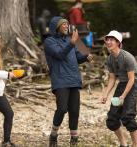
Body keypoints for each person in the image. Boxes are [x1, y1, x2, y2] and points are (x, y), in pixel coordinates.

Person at [44, 16, 93, 147]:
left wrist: (86, 57)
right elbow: (59, 54)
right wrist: (72, 42)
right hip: (60, 79)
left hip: (73, 78)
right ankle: (54, 134)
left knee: (75, 110)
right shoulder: (49, 41)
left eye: (67, 24)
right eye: (63, 24)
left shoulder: (70, 40)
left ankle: (74, 139)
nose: (67, 26)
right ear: (56, 27)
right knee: (62, 109)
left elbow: (76, 57)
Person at [101, 30, 137, 147]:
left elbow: (132, 79)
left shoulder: (127, 57)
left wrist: (123, 96)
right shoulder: (109, 59)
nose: (108, 42)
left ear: (118, 42)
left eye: (112, 40)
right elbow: (112, 79)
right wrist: (105, 94)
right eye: (107, 39)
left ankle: (135, 145)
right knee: (112, 119)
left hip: (134, 83)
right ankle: (123, 144)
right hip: (122, 83)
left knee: (127, 116)